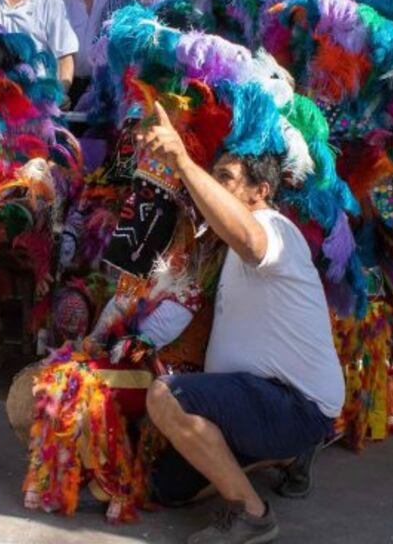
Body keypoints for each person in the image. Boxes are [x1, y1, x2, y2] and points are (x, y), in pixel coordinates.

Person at [141, 101, 344, 543]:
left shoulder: (273, 228)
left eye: (226, 178)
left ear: (261, 191)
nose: (215, 185)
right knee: (167, 489)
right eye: (213, 176)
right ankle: (282, 458)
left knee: (167, 398)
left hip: (293, 403)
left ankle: (253, 514)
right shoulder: (222, 247)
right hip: (253, 401)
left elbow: (250, 241)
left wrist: (182, 160)